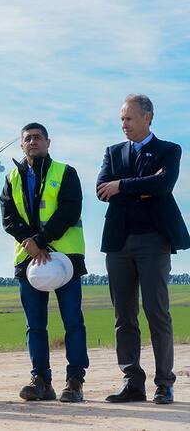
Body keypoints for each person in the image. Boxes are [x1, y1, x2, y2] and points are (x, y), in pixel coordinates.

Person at [97, 94, 189, 405]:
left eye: (129, 118)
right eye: (121, 119)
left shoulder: (168, 150)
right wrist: (142, 187)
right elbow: (101, 190)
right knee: (124, 316)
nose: (124, 124)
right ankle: (132, 383)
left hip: (154, 241)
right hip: (119, 243)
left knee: (157, 312)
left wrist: (122, 186)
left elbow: (163, 186)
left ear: (148, 117)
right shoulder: (113, 152)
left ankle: (164, 383)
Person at [0, 122, 88, 402]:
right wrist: (32, 243)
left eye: (38, 137)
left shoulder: (66, 173)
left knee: (73, 321)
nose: (33, 142)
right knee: (34, 325)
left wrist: (42, 240)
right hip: (30, 261)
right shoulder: (12, 177)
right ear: (21, 145)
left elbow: (69, 209)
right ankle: (40, 380)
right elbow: (8, 218)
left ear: (48, 142)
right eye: (27, 138)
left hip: (65, 258)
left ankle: (75, 381)